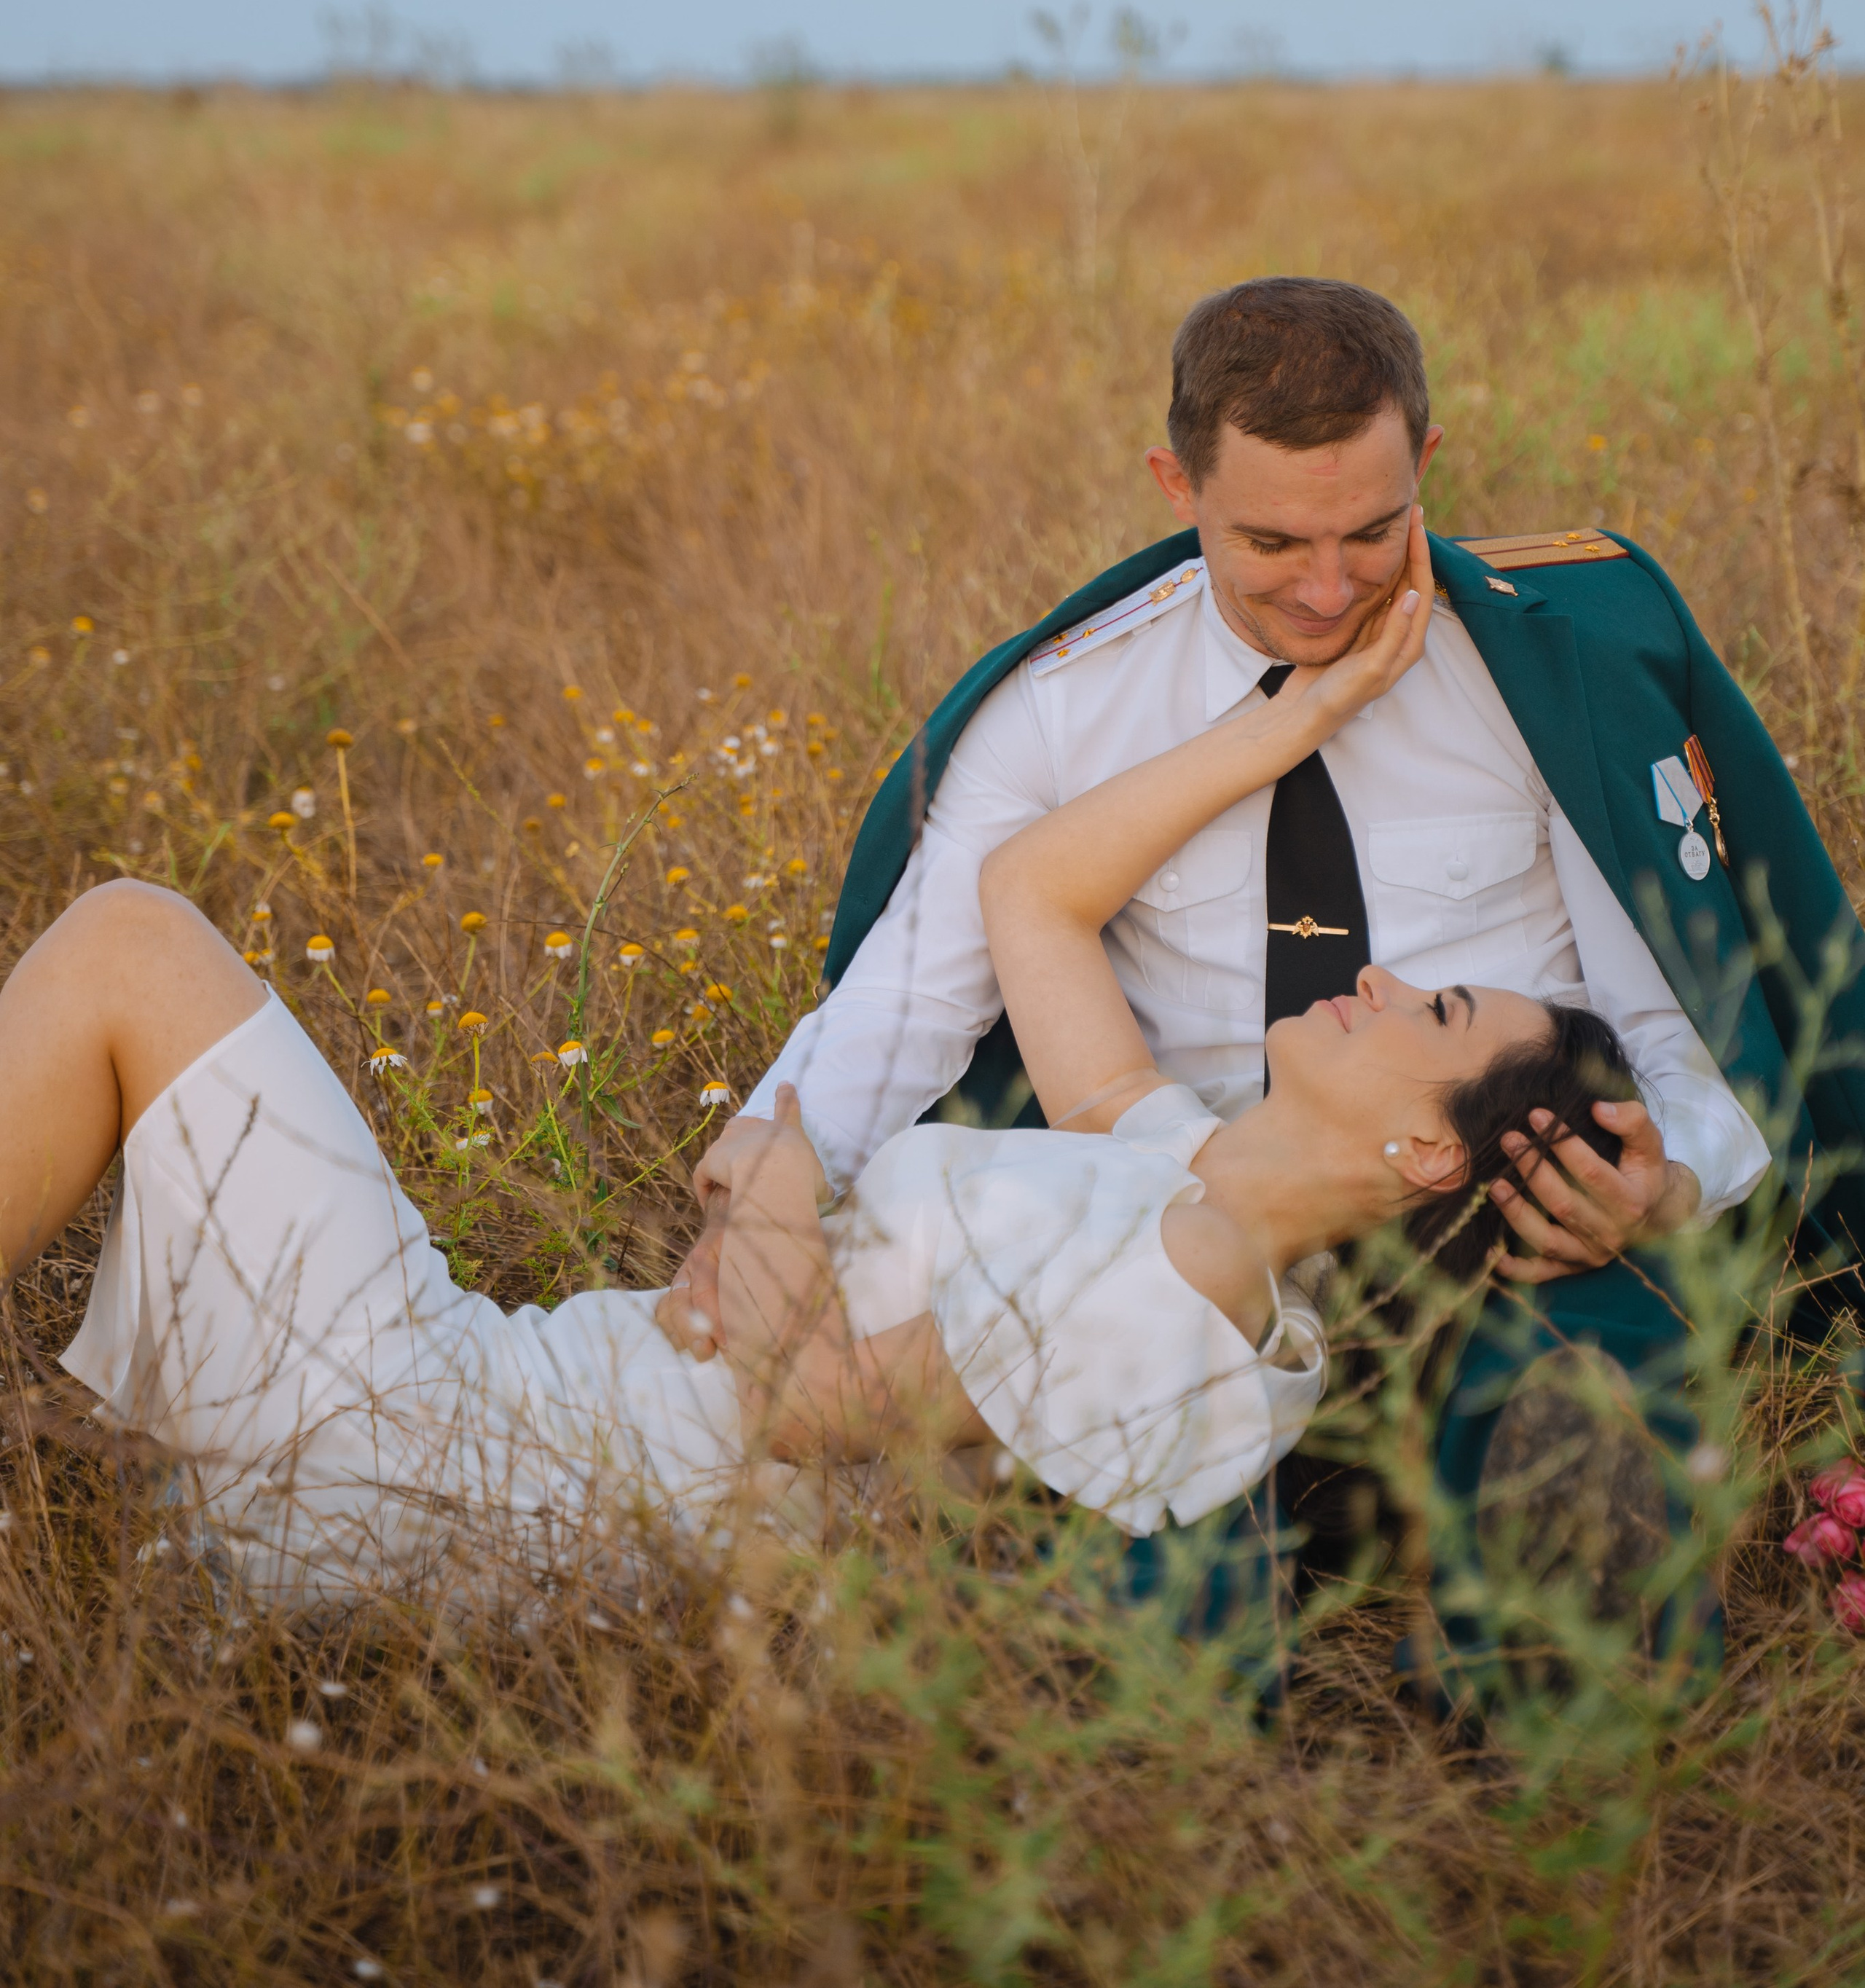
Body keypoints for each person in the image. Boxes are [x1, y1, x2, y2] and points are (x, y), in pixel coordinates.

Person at [4, 527, 1636, 1608]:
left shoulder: (1190, 1287)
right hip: (487, 1396)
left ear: (1429, 1159)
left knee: (135, 944)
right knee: (128, 983)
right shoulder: (1172, 1169)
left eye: (1431, 1016)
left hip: (462, 1471)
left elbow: (801, 1413)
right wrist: (1296, 714)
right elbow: (1028, 896)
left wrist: (781, 1178)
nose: (1376, 973)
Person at [663, 275, 1852, 1566]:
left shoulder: (1541, 673)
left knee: (1586, 1380)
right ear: (1178, 489)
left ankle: (1547, 1695)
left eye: (1373, 530)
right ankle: (1202, 1612)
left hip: (1483, 1228)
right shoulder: (1070, 707)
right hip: (1193, 1212)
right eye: (1273, 543)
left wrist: (1660, 1186)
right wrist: (758, 1188)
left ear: (1428, 464)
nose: (1331, 590)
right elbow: (908, 998)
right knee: (1135, 1418)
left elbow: (1687, 1024)